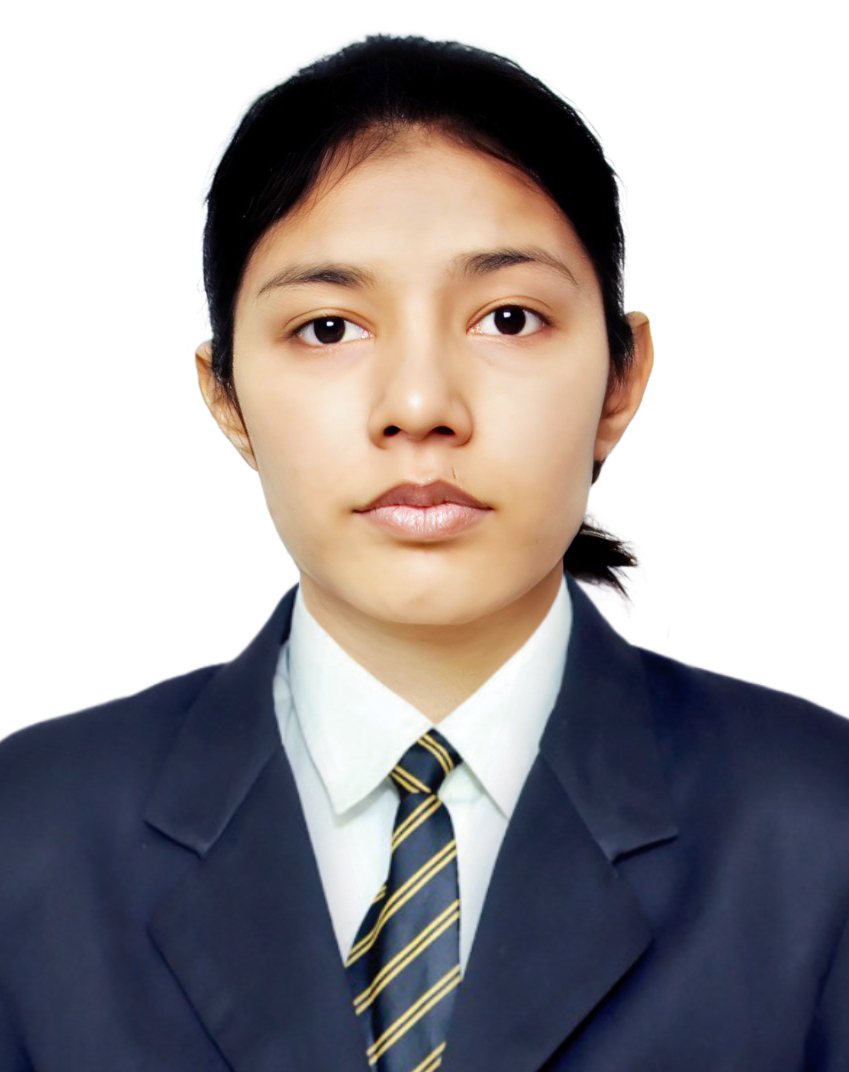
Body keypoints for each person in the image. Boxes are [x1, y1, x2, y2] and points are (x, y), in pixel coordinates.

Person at [0, 32, 847, 1072]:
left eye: (507, 318)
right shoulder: (27, 836)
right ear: (226, 397)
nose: (418, 405)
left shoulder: (822, 829)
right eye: (327, 328)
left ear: (620, 380)